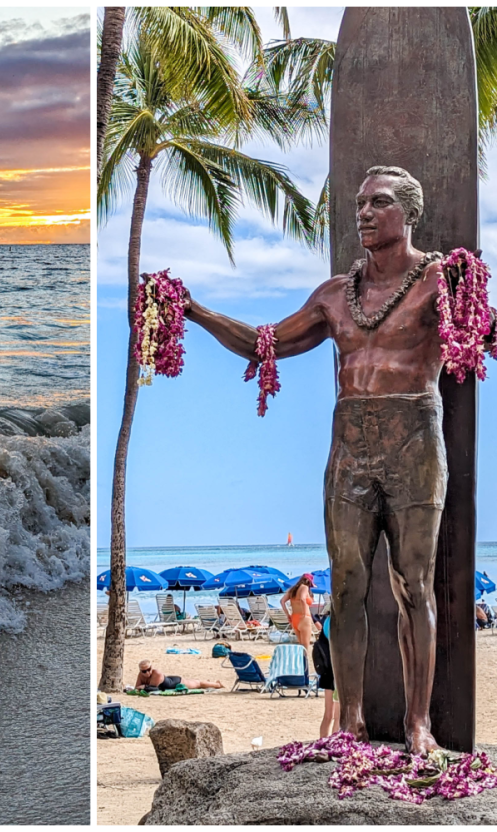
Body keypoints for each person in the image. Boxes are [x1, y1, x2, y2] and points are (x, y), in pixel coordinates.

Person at [182, 166, 461, 754]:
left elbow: (484, 337)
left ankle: (418, 726)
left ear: (407, 213)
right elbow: (269, 344)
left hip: (414, 441)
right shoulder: (337, 294)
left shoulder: (441, 281)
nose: (362, 212)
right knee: (348, 586)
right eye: (358, 203)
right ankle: (351, 723)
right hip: (349, 447)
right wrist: (195, 311)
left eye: (377, 202)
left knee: (415, 585)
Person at [314, 615, 339, 737]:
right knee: (339, 717)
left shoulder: (326, 621)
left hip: (326, 670)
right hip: (338, 671)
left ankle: (322, 743)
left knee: (328, 714)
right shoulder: (338, 620)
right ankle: (335, 745)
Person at [135, 659, 224, 692]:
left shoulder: (157, 673)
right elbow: (137, 687)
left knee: (198, 684)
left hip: (175, 682)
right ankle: (209, 682)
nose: (147, 673)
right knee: (194, 682)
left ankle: (217, 684)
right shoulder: (140, 674)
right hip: (168, 680)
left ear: (151, 668)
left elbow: (154, 688)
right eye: (144, 671)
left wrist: (143, 686)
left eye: (148, 670)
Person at [280, 574, 316, 653]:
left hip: (294, 618)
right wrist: (304, 613)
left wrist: (287, 615)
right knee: (305, 648)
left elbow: (282, 601)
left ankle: (301, 664)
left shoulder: (292, 589)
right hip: (304, 618)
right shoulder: (305, 587)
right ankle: (305, 665)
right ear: (309, 582)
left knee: (301, 647)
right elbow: (303, 599)